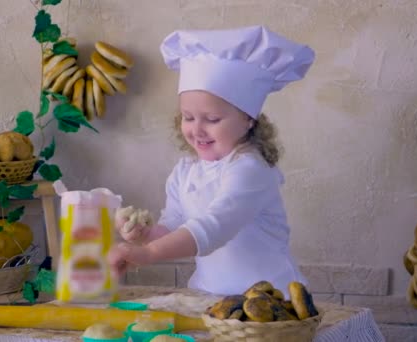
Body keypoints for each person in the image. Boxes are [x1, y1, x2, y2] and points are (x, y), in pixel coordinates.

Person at [108, 25, 315, 296]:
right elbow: (174, 224)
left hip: (271, 303)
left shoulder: (250, 169)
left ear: (247, 119)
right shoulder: (185, 171)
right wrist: (145, 235)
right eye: (188, 117)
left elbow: (215, 227)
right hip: (211, 297)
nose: (197, 129)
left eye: (213, 119)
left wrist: (148, 254)